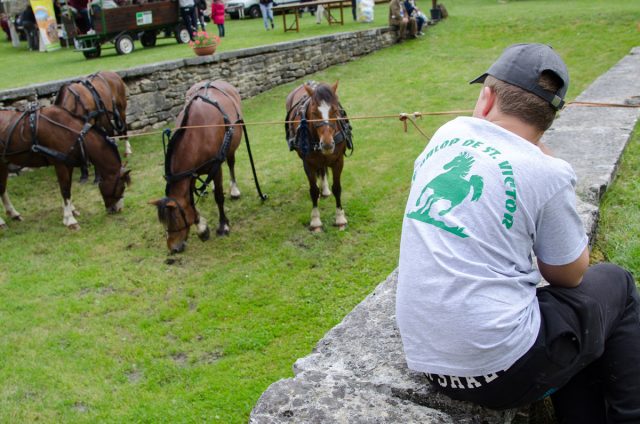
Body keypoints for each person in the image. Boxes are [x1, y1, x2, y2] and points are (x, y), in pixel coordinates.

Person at [395, 43, 640, 423]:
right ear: (549, 120)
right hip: (499, 371)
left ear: (487, 98)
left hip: (428, 360)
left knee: (575, 326)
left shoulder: (448, 132)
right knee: (616, 284)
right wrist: (550, 161)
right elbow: (569, 273)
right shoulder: (548, 172)